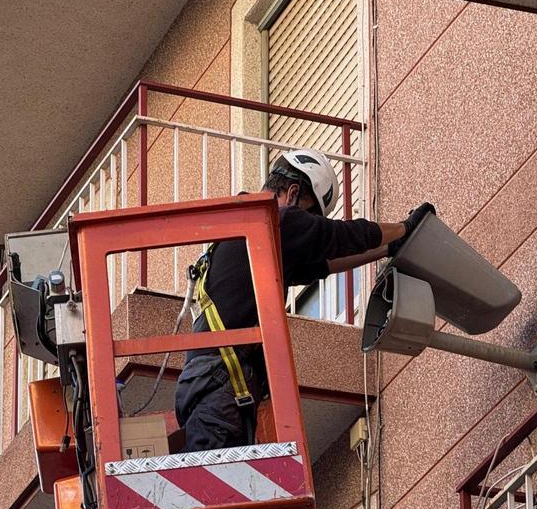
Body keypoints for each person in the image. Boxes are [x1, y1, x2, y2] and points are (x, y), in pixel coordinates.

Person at [174, 148, 434, 452]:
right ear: (293, 193)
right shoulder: (272, 220)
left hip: (216, 386)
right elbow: (336, 236)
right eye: (309, 216)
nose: (306, 227)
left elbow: (322, 264)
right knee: (218, 489)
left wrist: (389, 248)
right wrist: (404, 228)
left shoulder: (251, 237)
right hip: (219, 387)